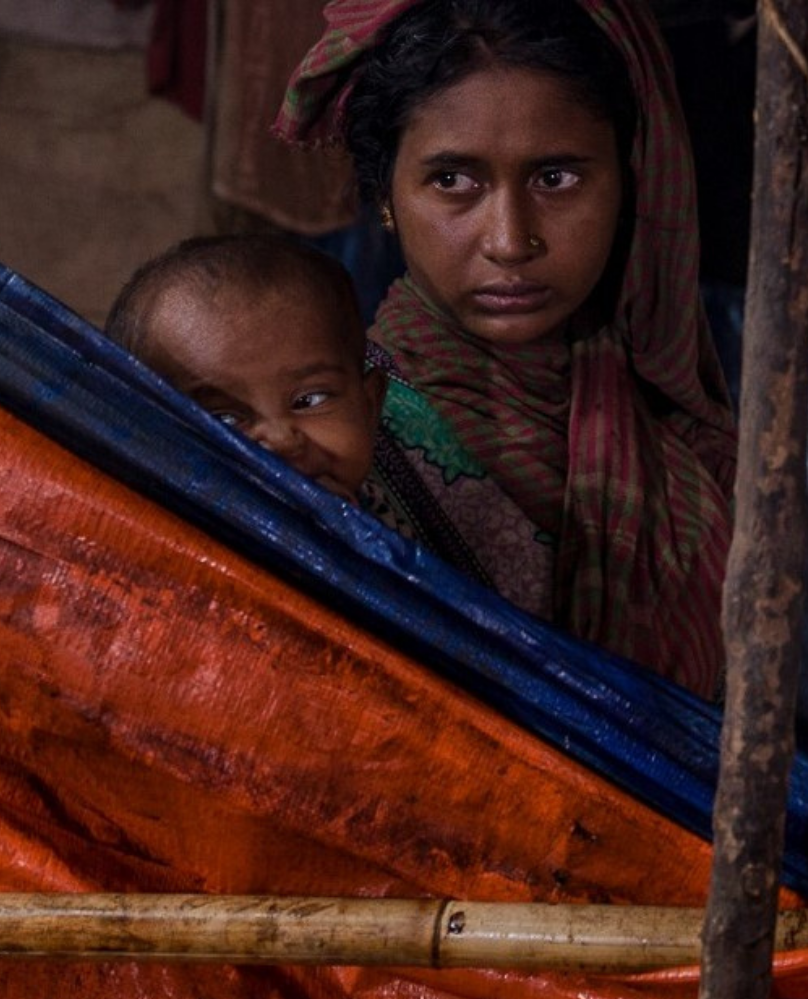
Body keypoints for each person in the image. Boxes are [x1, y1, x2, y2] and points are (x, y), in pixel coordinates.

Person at [274, 0, 738, 701]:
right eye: (454, 181)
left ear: (628, 181)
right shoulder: (337, 446)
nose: (510, 241)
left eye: (556, 178)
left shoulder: (682, 429)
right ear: (386, 197)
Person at [105, 233, 388, 509]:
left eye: (310, 400)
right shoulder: (154, 536)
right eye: (224, 419)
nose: (281, 441)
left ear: (369, 405)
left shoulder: (401, 527)